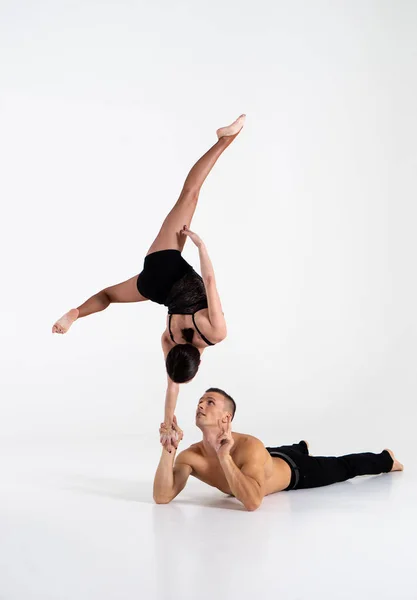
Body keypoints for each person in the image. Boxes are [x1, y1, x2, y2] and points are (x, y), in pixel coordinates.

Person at [52, 114, 246, 437]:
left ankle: (224, 140)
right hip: (155, 287)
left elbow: (210, 283)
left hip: (168, 267)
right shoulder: (168, 340)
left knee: (191, 194)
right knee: (109, 296)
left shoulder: (215, 332)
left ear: (199, 362)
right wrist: (168, 422)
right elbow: (172, 386)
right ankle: (75, 313)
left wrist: (200, 245)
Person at [153, 388, 404, 511]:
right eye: (200, 401)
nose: (201, 405)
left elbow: (251, 502)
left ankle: (385, 459)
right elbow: (162, 496)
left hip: (296, 472)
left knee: (343, 467)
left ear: (226, 418)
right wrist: (169, 449)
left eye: (210, 402)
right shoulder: (191, 456)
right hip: (267, 459)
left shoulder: (250, 446)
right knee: (280, 451)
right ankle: (300, 446)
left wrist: (223, 456)